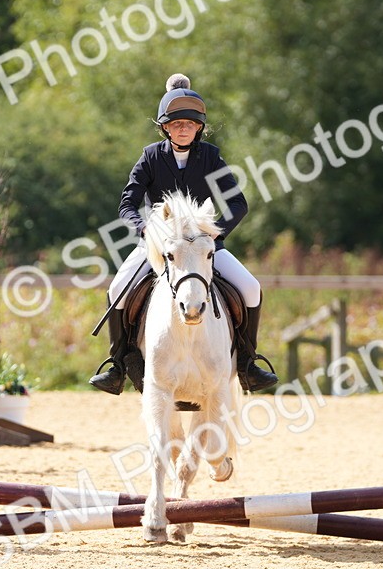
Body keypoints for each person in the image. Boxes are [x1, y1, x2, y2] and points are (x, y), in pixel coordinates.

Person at [89, 73, 278, 394]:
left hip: (202, 247)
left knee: (251, 287)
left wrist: (213, 237)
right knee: (117, 288)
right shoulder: (150, 156)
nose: (183, 128)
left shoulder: (210, 157)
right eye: (176, 124)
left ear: (199, 127)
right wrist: (147, 229)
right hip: (158, 246)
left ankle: (247, 362)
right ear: (165, 127)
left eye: (190, 124)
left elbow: (237, 204)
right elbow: (127, 204)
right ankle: (118, 363)